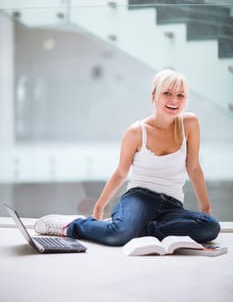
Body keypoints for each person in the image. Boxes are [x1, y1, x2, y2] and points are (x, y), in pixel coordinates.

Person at [34, 69, 220, 245]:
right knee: (118, 235)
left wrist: (206, 210)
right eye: (167, 93)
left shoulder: (190, 124)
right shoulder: (136, 132)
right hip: (139, 198)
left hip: (172, 206)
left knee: (211, 227)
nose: (174, 100)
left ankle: (138, 230)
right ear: (154, 96)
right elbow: (121, 172)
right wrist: (99, 206)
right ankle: (73, 226)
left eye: (181, 95)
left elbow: (194, 168)